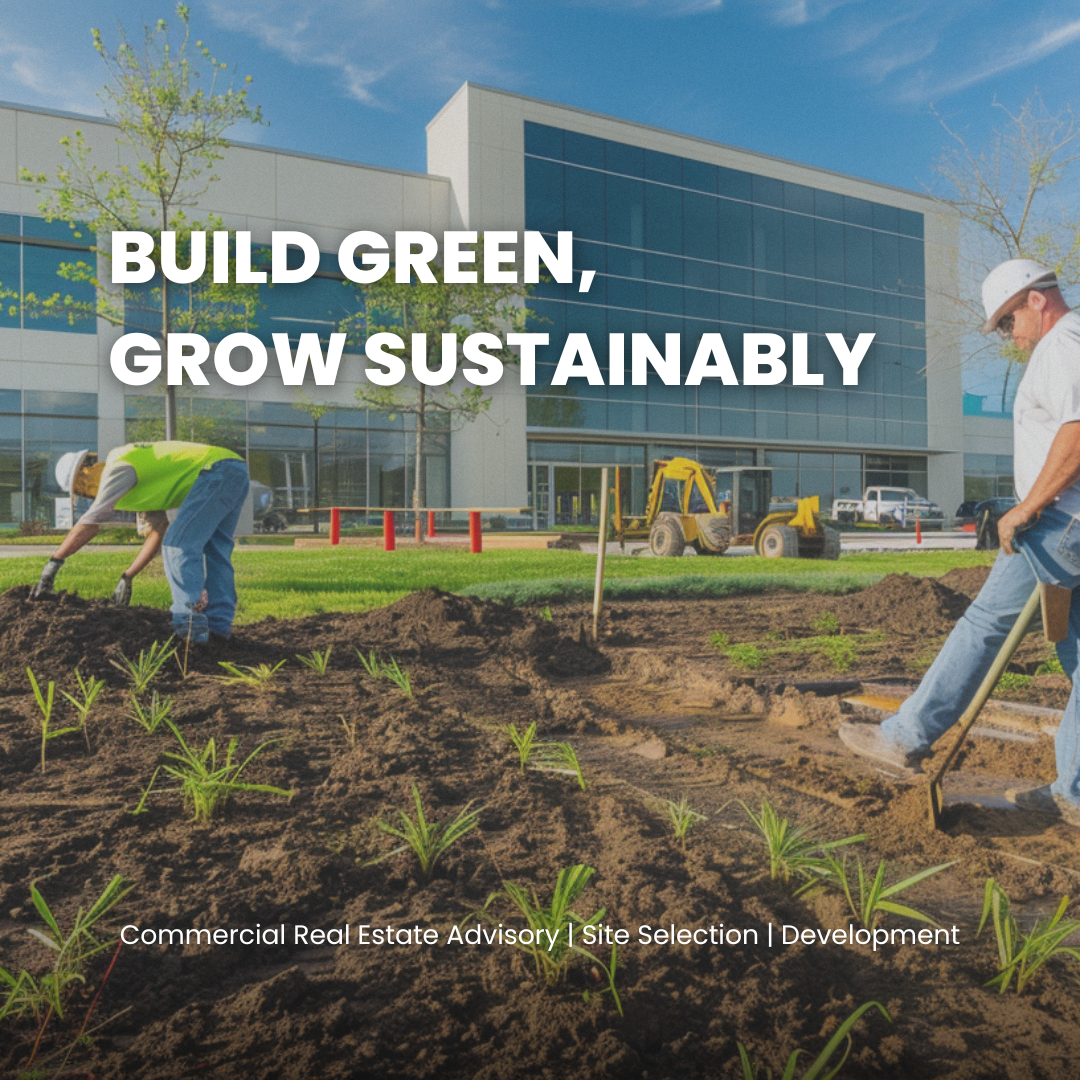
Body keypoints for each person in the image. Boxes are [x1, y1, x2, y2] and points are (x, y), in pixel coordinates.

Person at [838, 258, 1080, 827]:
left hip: (1057, 525)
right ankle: (1075, 789)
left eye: (1006, 321)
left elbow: (1076, 432)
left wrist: (1028, 506)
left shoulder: (1064, 343)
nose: (1006, 335)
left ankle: (905, 737)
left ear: (1036, 300)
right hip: (1075, 525)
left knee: (984, 626)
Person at [31, 441, 250, 644]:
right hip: (234, 469)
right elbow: (158, 531)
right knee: (216, 551)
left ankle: (189, 628)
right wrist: (128, 576)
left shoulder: (118, 468)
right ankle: (219, 630)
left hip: (215, 471)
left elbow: (90, 521)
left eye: (82, 488)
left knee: (178, 545)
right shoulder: (136, 482)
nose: (87, 494)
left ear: (86, 471)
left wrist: (54, 563)